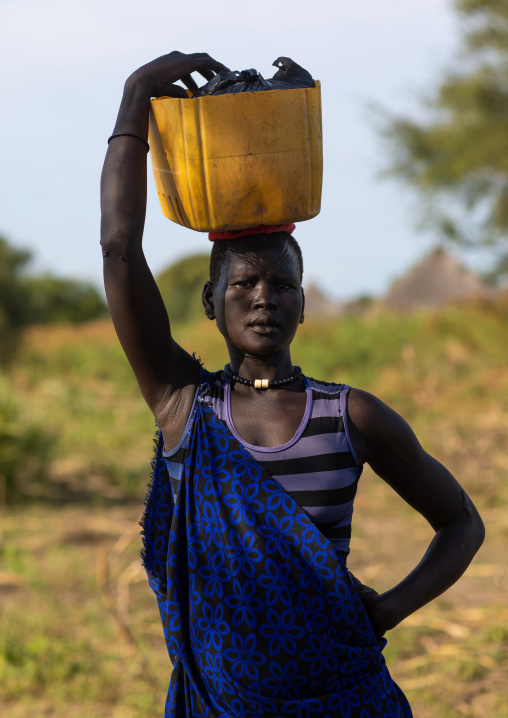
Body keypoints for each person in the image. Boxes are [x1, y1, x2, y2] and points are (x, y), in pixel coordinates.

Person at [100, 51, 485, 718]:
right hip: (220, 701)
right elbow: (118, 249)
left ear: (306, 304)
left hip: (342, 693)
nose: (262, 298)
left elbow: (461, 524)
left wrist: (388, 610)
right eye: (242, 284)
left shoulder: (349, 415)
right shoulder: (185, 404)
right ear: (209, 301)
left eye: (282, 284)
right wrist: (135, 97)